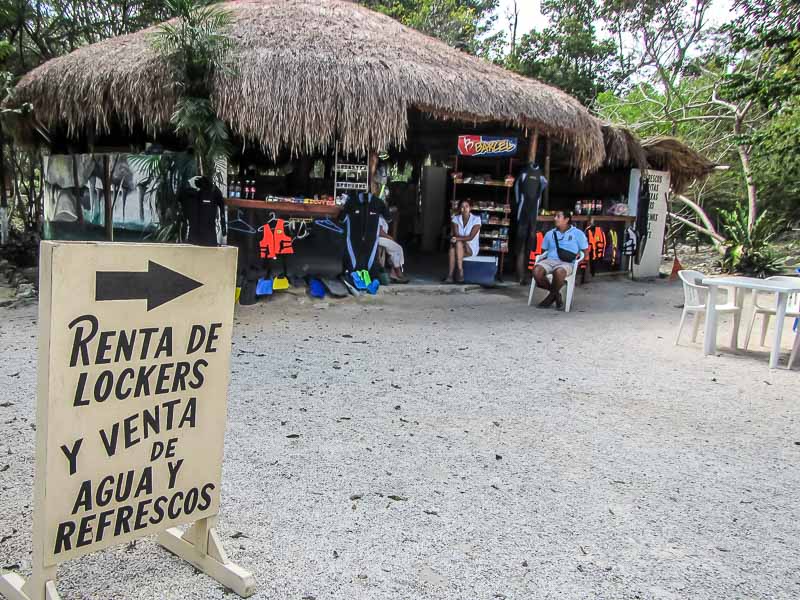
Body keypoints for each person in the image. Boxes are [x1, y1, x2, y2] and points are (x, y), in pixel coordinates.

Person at [533, 210, 588, 309]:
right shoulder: (550, 233)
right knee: (536, 271)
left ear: (566, 219)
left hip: (567, 262)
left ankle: (550, 298)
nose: (555, 219)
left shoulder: (578, 233)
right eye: (555, 216)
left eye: (558, 216)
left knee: (559, 272)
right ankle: (556, 295)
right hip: (550, 260)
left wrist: (579, 258)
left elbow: (585, 251)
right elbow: (544, 250)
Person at [444, 199, 481, 283]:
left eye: (466, 206)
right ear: (459, 208)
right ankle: (452, 275)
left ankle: (459, 271)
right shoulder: (455, 219)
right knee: (452, 250)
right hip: (460, 247)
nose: (464, 209)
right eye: (462, 207)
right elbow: (456, 235)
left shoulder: (476, 219)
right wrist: (458, 239)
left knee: (458, 243)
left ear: (470, 208)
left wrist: (457, 239)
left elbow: (471, 237)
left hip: (471, 248)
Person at [378, 215, 409, 283]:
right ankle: (398, 273)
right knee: (397, 249)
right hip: (378, 238)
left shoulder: (383, 218)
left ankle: (394, 273)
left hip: (382, 238)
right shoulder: (379, 217)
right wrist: (390, 238)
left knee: (396, 250)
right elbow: (380, 232)